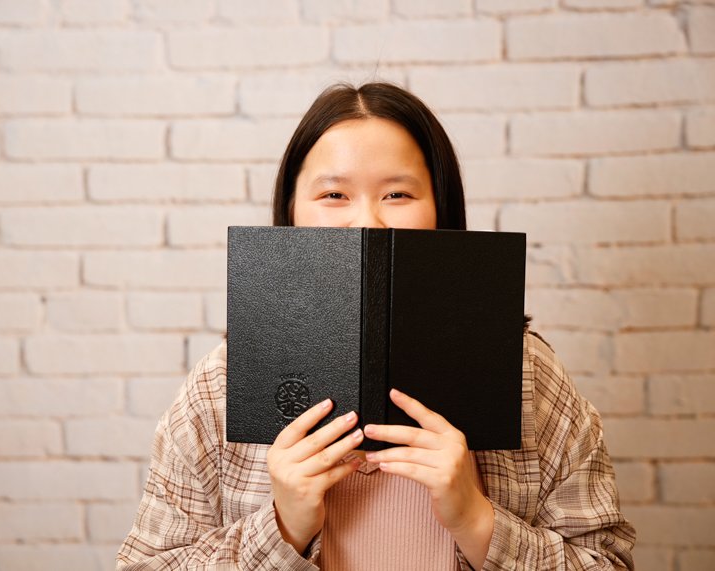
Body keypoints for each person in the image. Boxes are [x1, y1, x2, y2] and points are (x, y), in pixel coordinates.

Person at [117, 82, 636, 570]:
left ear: (440, 209)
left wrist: (478, 520)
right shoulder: (221, 385)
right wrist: (282, 528)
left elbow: (607, 561)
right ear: (292, 211)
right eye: (334, 195)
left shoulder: (527, 374)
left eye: (397, 195)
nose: (367, 222)